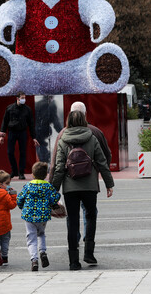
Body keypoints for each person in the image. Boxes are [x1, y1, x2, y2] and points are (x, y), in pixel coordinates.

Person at [52, 111, 114, 270]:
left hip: (70, 187)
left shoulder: (62, 140)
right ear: (84, 120)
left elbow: (59, 168)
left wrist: (54, 191)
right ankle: (89, 253)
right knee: (91, 216)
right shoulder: (91, 138)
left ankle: (73, 261)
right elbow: (102, 162)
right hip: (89, 185)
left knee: (72, 222)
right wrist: (109, 183)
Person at [17, 161, 61, 271]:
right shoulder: (48, 186)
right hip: (43, 216)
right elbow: (54, 198)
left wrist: (21, 206)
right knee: (41, 234)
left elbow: (20, 199)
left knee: (31, 238)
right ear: (45, 175)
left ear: (32, 174)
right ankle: (43, 252)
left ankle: (34, 259)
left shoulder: (28, 186)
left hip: (29, 215)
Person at [0, 92, 39, 180]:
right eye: (22, 97)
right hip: (12, 132)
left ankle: (21, 172)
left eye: (24, 97)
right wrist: (2, 134)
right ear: (17, 98)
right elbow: (5, 121)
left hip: (22, 132)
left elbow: (31, 124)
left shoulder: (27, 109)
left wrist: (34, 137)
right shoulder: (10, 108)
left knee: (23, 152)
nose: (23, 99)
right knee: (10, 152)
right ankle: (14, 171)